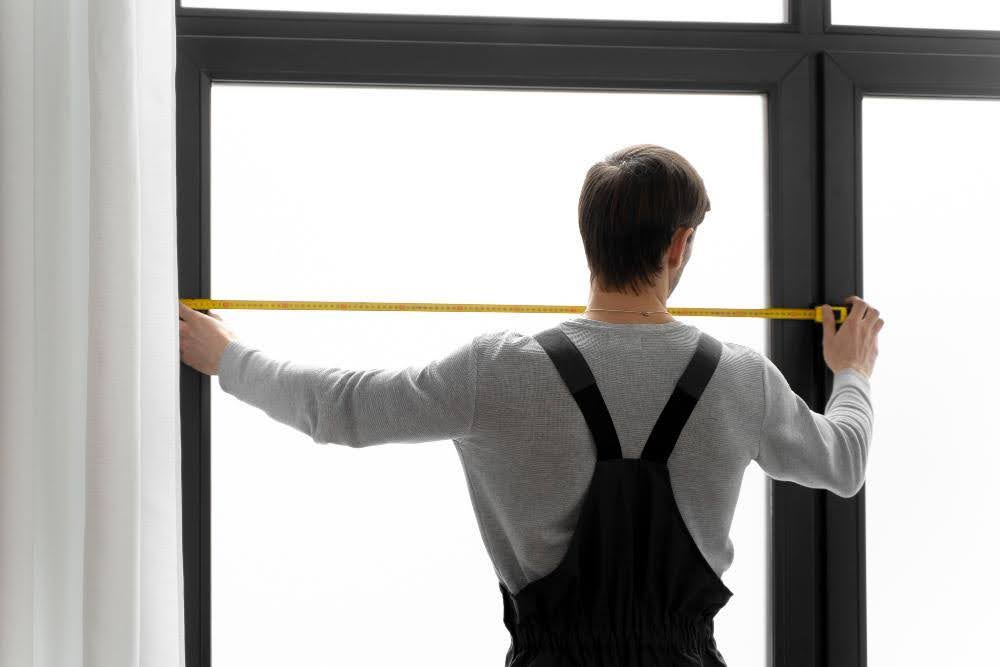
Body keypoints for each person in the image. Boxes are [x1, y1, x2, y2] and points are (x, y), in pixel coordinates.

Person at [178, 143, 881, 666]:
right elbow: (843, 462)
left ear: (589, 238)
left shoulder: (499, 370)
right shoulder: (738, 378)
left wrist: (227, 357)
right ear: (679, 244)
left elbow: (339, 408)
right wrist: (851, 372)